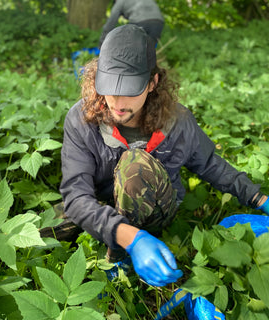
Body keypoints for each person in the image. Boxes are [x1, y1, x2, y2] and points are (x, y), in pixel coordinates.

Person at [47, 24, 269, 287]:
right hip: (104, 201)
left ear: (152, 83)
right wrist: (129, 235)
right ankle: (124, 238)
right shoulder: (80, 118)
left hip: (154, 206)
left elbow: (210, 164)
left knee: (134, 165)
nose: (118, 102)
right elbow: (76, 195)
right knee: (41, 231)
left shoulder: (177, 120)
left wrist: (259, 198)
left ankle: (118, 260)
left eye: (130, 90)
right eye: (109, 87)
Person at [99, 0, 164, 47]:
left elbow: (111, 22)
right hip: (158, 22)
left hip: (139, 21)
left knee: (132, 48)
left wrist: (102, 44)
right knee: (149, 50)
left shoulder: (119, 2)